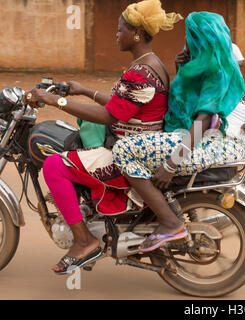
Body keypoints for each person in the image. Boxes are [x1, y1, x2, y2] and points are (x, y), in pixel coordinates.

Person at [25, 0, 183, 274]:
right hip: (133, 143)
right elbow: (123, 105)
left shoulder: (140, 72)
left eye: (120, 30)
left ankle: (84, 241)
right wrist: (85, 91)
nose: (116, 35)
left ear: (135, 34)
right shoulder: (151, 63)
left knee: (53, 166)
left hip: (130, 151)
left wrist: (53, 101)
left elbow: (111, 116)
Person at [111, 12, 245, 253]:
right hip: (200, 139)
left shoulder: (216, 71)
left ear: (201, 39)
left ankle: (170, 223)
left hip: (208, 143)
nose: (186, 42)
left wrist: (171, 164)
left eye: (190, 36)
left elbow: (203, 119)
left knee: (123, 150)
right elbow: (183, 106)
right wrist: (182, 68)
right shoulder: (202, 65)